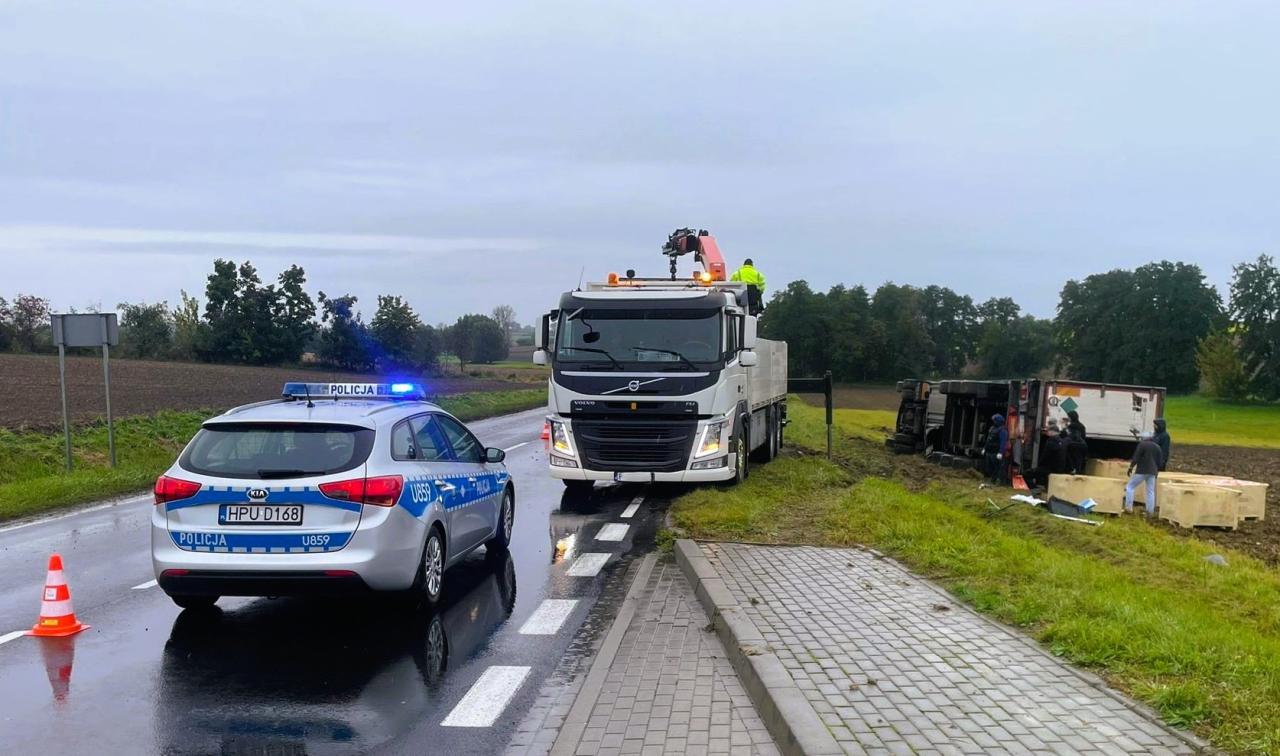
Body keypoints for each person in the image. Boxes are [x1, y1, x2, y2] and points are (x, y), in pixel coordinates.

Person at [1125, 431, 1163, 516]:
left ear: (1143, 438)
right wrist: (1156, 471)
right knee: (1150, 491)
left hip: (1142, 471)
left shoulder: (1142, 445)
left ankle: (1128, 508)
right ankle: (1150, 511)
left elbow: (1136, 457)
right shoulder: (1157, 447)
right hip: (1153, 472)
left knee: (1130, 487)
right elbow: (1160, 462)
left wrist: (1131, 467)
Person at [983, 414, 1008, 484]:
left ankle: (997, 481)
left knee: (997, 467)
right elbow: (988, 439)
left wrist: (1000, 452)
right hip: (989, 451)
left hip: (996, 452)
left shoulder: (1003, 430)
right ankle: (992, 479)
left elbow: (1003, 442)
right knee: (989, 467)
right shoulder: (992, 428)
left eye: (995, 420)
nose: (994, 422)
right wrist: (984, 448)